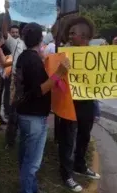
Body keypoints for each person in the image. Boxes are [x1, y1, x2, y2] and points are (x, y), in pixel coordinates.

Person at [14, 23, 70, 193]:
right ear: (40, 39)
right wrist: (59, 73)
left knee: (25, 157)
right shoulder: (33, 60)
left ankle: (31, 187)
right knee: (32, 162)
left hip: (24, 113)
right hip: (34, 117)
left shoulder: (24, 57)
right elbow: (39, 90)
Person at [58, 16, 101, 192]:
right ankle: (66, 174)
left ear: (85, 36)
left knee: (84, 135)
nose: (69, 36)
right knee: (67, 139)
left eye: (73, 33)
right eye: (69, 32)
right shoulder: (64, 54)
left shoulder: (95, 54)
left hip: (87, 102)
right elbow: (57, 78)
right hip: (69, 102)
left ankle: (80, 165)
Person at [2, 0, 27, 148]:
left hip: (31, 82)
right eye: (15, 32)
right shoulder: (15, 43)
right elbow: (4, 32)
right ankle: (10, 141)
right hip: (17, 81)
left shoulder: (35, 43)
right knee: (14, 112)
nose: (17, 34)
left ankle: (25, 140)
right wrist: (6, 12)